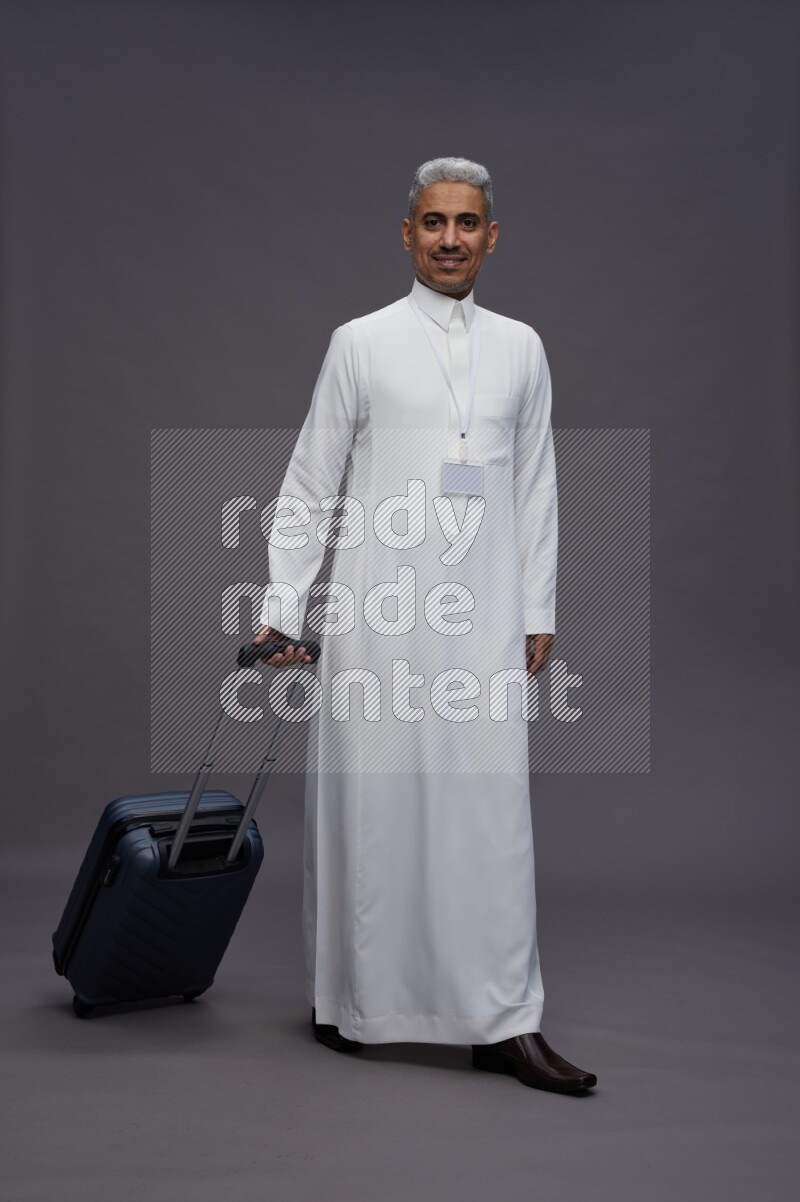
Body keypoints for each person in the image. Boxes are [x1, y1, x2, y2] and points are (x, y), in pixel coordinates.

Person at [252, 157, 596, 1094]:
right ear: (407, 235)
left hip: (482, 616)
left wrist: (536, 607)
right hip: (379, 613)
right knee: (375, 810)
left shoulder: (522, 346)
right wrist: (282, 607)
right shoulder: (359, 342)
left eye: (468, 223)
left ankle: (503, 1021)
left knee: (489, 814)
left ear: (492, 238)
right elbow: (310, 480)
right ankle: (354, 1005)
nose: (451, 238)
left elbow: (536, 486)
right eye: (434, 222)